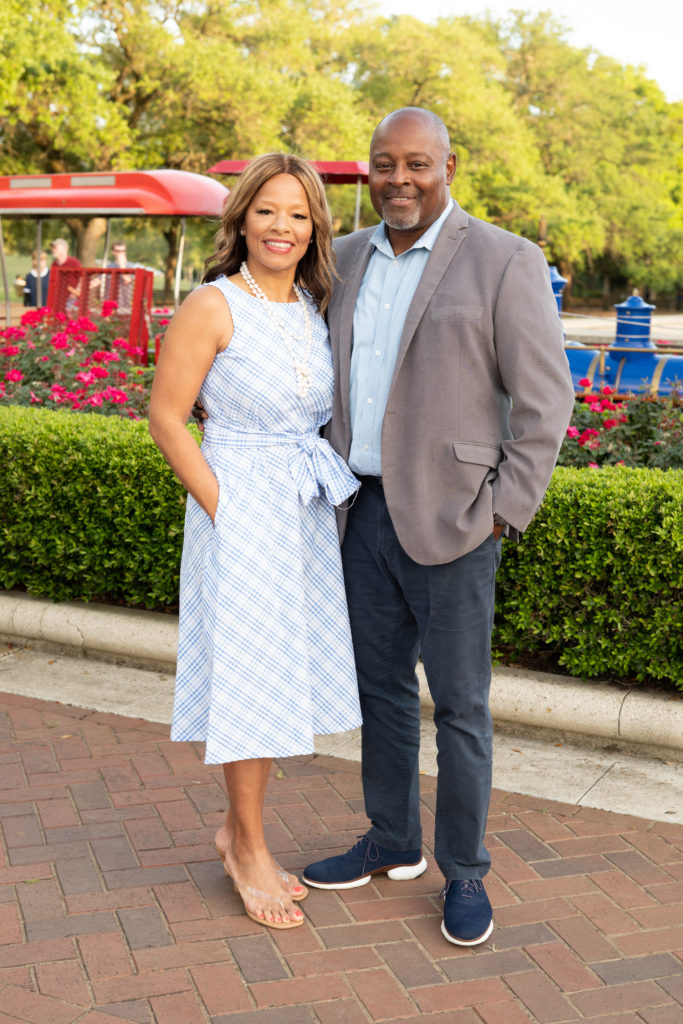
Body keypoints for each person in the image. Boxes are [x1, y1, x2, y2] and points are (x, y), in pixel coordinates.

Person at [301, 107, 576, 947]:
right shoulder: (340, 259)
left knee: (459, 707)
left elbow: (544, 399)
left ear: (447, 165)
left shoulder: (502, 259)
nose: (398, 179)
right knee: (379, 694)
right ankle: (391, 840)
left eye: (415, 163)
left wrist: (502, 511)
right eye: (383, 164)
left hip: (457, 523)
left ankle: (464, 871)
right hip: (359, 515)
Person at [148, 153, 361, 931]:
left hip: (300, 512)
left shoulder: (312, 304)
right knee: (248, 674)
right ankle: (248, 848)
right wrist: (223, 509)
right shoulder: (212, 304)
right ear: (242, 220)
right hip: (236, 507)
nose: (282, 227)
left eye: (298, 214)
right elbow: (167, 418)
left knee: (276, 675)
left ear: (315, 229)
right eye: (267, 211)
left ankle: (239, 832)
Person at [50, 238, 82, 313]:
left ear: (63, 249)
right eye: (53, 248)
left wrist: (76, 291)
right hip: (58, 301)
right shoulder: (54, 264)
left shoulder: (73, 262)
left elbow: (82, 279)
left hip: (72, 300)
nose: (53, 250)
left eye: (55, 247)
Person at [106, 241, 134, 313]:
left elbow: (127, 280)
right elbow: (99, 280)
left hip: (125, 303)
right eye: (118, 251)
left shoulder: (130, 266)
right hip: (111, 302)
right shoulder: (109, 266)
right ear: (113, 252)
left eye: (123, 251)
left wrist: (121, 264)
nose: (121, 253)